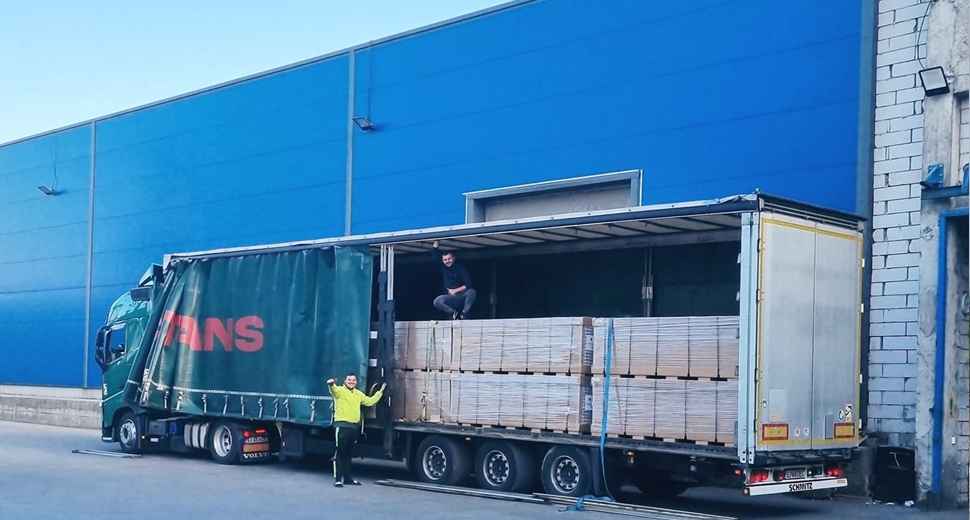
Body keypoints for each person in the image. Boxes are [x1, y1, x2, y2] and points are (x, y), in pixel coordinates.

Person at [327, 373, 386, 487]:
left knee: (349, 454)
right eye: (349, 380)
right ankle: (338, 479)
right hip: (342, 426)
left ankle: (348, 478)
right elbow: (333, 389)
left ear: (356, 382)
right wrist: (331, 384)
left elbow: (370, 401)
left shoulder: (358, 394)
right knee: (340, 453)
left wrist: (380, 392)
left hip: (354, 427)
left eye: (353, 380)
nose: (351, 382)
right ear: (345, 381)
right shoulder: (340, 391)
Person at [431, 240, 476, 320]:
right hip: (450, 299)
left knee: (472, 292)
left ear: (453, 258)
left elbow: (468, 284)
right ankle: (452, 313)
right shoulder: (443, 268)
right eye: (445, 260)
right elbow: (434, 254)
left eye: (449, 259)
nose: (447, 261)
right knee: (437, 301)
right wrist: (436, 241)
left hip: (461, 297)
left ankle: (465, 314)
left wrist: (455, 291)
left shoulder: (460, 268)